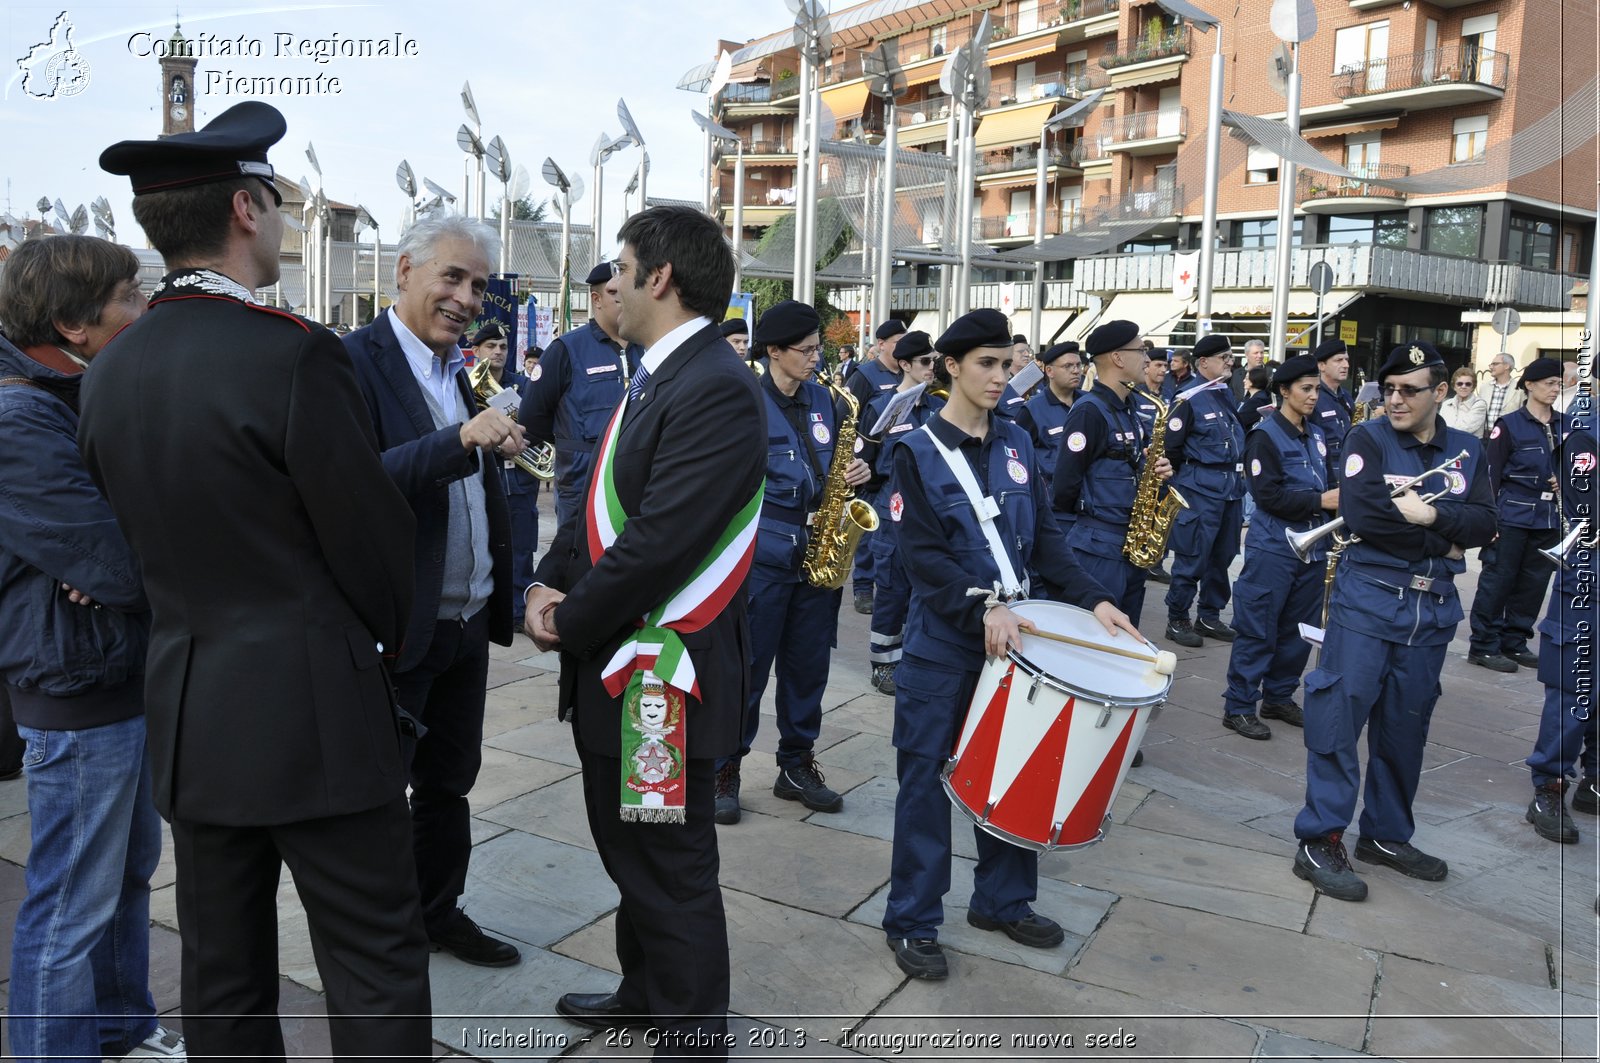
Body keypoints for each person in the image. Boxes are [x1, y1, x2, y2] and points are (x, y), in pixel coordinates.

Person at [85, 101, 432, 1056]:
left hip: (193, 713)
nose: (280, 221)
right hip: (317, 707)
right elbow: (373, 544)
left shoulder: (111, 371)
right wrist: (394, 653)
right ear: (245, 209)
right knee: (374, 964)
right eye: (274, 202)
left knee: (222, 971)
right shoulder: (293, 355)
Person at [524, 205, 764, 1052]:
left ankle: (693, 1031)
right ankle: (645, 988)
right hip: (628, 670)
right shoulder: (658, 373)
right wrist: (548, 577)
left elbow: (658, 540)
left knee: (669, 867)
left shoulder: (714, 388)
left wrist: (566, 619)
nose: (611, 283)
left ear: (660, 277)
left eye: (621, 267)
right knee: (635, 854)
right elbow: (597, 506)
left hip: (663, 677)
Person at [883, 308, 1138, 980]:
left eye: (1005, 362)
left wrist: (1096, 600)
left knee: (1015, 770)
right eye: (986, 364)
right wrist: (982, 604)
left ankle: (1002, 899)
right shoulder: (913, 451)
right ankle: (912, 918)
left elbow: (1047, 538)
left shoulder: (1018, 440)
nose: (1001, 375)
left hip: (1016, 642)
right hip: (945, 646)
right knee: (926, 783)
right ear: (952, 369)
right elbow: (923, 557)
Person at [0, 236, 183, 1060]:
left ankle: (121, 1026)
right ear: (73, 323)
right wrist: (125, 545)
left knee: (125, 876)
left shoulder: (72, 392)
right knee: (72, 899)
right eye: (128, 299)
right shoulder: (20, 414)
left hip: (117, 669)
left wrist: (125, 539)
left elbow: (128, 537)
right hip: (75, 687)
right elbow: (111, 558)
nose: (144, 312)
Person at [343, 212, 522, 968]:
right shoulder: (350, 362)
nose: (465, 297)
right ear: (404, 271)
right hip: (399, 624)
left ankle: (437, 910)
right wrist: (460, 441)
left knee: (449, 783)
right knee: (378, 793)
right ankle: (380, 933)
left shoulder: (458, 370)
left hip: (465, 620)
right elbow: (352, 484)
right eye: (452, 276)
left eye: (478, 285)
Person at [1290, 341, 1495, 903]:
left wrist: (1431, 513)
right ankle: (1321, 836)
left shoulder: (1469, 449)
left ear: (1439, 392)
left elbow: (1484, 523)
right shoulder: (1369, 437)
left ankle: (1384, 835)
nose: (1396, 399)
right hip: (1369, 600)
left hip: (1430, 613)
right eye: (1389, 389)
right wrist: (1443, 542)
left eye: (1410, 389)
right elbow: (1364, 515)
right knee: (1337, 718)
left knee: (1407, 728)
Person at [713, 299, 869, 825]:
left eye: (818, 348)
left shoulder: (827, 401)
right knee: (748, 669)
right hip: (765, 554)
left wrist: (858, 472)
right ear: (773, 352)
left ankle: (795, 764)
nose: (814, 358)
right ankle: (724, 768)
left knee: (808, 669)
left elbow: (836, 461)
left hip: (818, 554)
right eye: (804, 350)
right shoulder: (743, 402)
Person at [1220, 356, 1337, 741]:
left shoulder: (1316, 434)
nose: (1313, 396)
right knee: (1258, 627)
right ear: (1284, 391)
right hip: (1275, 546)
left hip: (1313, 548)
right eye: (1306, 389)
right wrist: (1321, 502)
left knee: (1296, 630)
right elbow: (1267, 496)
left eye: (1317, 389)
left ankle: (1279, 696)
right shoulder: (1264, 436)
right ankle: (1238, 705)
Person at [1052, 321, 1172, 630]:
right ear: (1118, 358)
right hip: (1098, 546)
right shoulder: (1088, 411)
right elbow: (1064, 487)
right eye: (1140, 350)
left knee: (1126, 632)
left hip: (1130, 540)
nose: (1147, 358)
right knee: (1094, 637)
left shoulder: (1130, 406)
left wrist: (1154, 470)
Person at [521, 261, 642, 526]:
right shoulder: (566, 349)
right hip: (582, 488)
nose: (621, 295)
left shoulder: (647, 347)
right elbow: (533, 418)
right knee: (579, 564)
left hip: (639, 486)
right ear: (596, 299)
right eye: (612, 292)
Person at [1467, 357, 1568, 673]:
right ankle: (1484, 644)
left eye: (1558, 383)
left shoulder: (1565, 425)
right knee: (1499, 579)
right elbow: (1490, 474)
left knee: (1533, 583)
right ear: (1530, 386)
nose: (1555, 389)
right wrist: (1490, 519)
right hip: (1511, 514)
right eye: (1549, 383)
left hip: (1547, 516)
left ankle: (1515, 640)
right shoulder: (1509, 425)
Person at [1523, 421, 1597, 843]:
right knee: (1573, 694)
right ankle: (1548, 787)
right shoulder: (1589, 440)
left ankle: (1594, 782)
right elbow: (1590, 510)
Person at [861, 330, 944, 695]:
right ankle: (883, 662)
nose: (931, 368)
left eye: (933, 361)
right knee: (892, 587)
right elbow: (865, 462)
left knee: (922, 588)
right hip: (891, 508)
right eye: (924, 362)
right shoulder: (881, 408)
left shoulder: (937, 407)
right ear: (905, 364)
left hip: (927, 510)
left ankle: (912, 656)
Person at [1163, 334, 1246, 648]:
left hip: (1229, 489)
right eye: (1223, 357)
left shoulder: (1223, 393)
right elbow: (1171, 450)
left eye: (1229, 357)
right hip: (1199, 489)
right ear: (1203, 363)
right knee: (1193, 554)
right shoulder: (1188, 397)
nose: (1230, 362)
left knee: (1223, 556)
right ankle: (1178, 616)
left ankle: (1209, 614)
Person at [476, 320, 542, 628]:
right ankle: (485, 609)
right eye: (491, 346)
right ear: (476, 351)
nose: (498, 352)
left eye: (503, 347)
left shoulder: (524, 386)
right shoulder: (465, 387)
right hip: (485, 480)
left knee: (522, 547)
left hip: (520, 480)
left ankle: (517, 612)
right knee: (483, 545)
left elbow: (541, 426)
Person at [845, 320, 907, 613]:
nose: (901, 345)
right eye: (896, 340)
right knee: (868, 536)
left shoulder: (904, 373)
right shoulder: (865, 376)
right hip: (868, 467)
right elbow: (848, 417)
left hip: (893, 467)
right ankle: (862, 588)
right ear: (881, 344)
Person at [1014, 341, 1083, 498]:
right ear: (1049, 371)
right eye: (1068, 366)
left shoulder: (1089, 404)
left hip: (1088, 502)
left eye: (1078, 365)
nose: (1076, 371)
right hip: (1053, 504)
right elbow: (1020, 457)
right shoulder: (1032, 410)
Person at [1311, 338, 1355, 485]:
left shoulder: (1346, 397)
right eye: (1339, 360)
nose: (1346, 365)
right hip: (1322, 471)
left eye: (1346, 360)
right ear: (1322, 365)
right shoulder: (1313, 396)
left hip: (1346, 467)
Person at [1481, 351, 1524, 435]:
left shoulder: (1520, 389)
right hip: (1485, 435)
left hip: (1508, 435)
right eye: (1491, 364)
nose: (1491, 367)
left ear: (1507, 366)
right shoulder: (1484, 388)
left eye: (1495, 364)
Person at [1440, 367, 1489, 437]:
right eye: (1459, 384)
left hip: (1469, 445)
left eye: (1468, 384)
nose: (1463, 386)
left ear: (1473, 387)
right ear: (1454, 386)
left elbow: (1466, 428)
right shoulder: (1446, 404)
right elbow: (1440, 425)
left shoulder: (1480, 404)